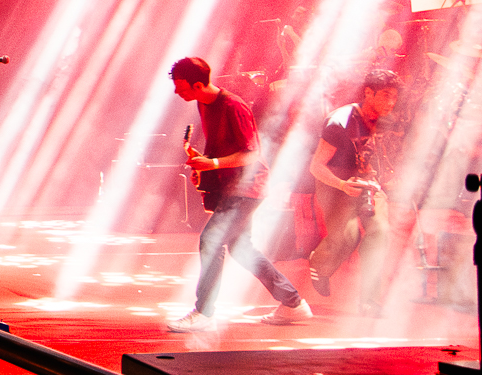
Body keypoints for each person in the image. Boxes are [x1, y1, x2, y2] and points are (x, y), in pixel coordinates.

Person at [169, 57, 310, 332]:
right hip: (232, 186)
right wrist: (204, 165)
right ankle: (293, 302)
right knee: (241, 249)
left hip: (247, 187)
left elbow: (252, 154)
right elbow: (221, 148)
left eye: (181, 86)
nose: (176, 92)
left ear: (198, 85)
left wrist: (213, 164)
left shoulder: (234, 106)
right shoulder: (203, 103)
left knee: (211, 240)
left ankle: (204, 313)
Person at [306, 69, 400, 313]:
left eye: (394, 96)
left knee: (380, 232)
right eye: (386, 95)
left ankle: (370, 302)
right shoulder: (340, 121)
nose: (391, 102)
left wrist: (380, 178)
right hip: (335, 180)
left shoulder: (386, 120)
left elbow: (374, 154)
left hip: (366, 180)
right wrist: (342, 185)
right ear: (368, 93)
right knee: (348, 236)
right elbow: (317, 166)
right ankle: (320, 263)